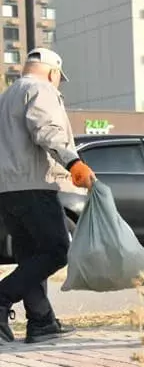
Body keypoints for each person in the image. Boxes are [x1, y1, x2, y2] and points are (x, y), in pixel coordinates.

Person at [0, 48, 94, 344]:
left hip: (7, 189)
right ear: (53, 73)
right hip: (34, 184)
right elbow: (47, 129)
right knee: (56, 251)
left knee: (31, 256)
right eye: (59, 79)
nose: (58, 84)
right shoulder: (40, 89)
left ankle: (41, 321)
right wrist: (72, 162)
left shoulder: (6, 96)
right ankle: (2, 299)